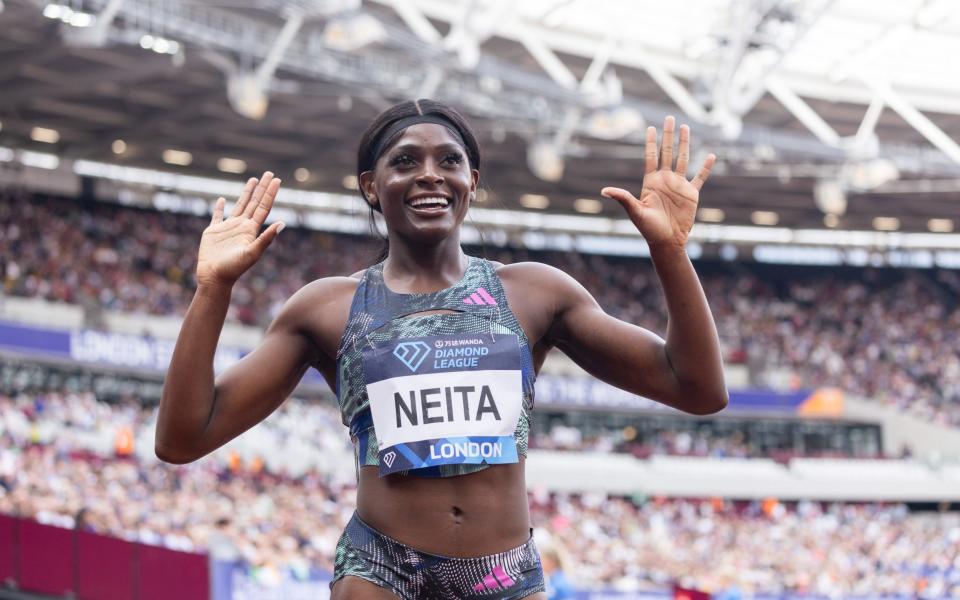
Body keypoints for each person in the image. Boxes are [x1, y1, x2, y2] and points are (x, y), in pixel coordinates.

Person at [156, 98, 727, 599]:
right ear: (370, 186)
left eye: (448, 161)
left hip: (504, 575)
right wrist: (213, 289)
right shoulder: (326, 307)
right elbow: (183, 438)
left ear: (471, 182)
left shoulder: (533, 293)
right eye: (405, 161)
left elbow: (696, 387)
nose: (430, 175)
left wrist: (670, 252)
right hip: (380, 572)